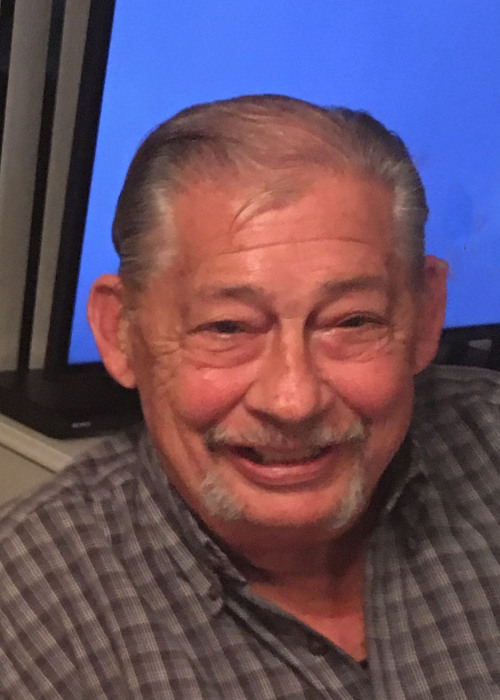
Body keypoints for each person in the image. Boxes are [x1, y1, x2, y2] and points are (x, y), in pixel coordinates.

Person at [0, 95, 499, 699]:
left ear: (426, 315)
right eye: (227, 328)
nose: (294, 401)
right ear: (121, 333)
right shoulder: (27, 619)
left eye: (352, 321)